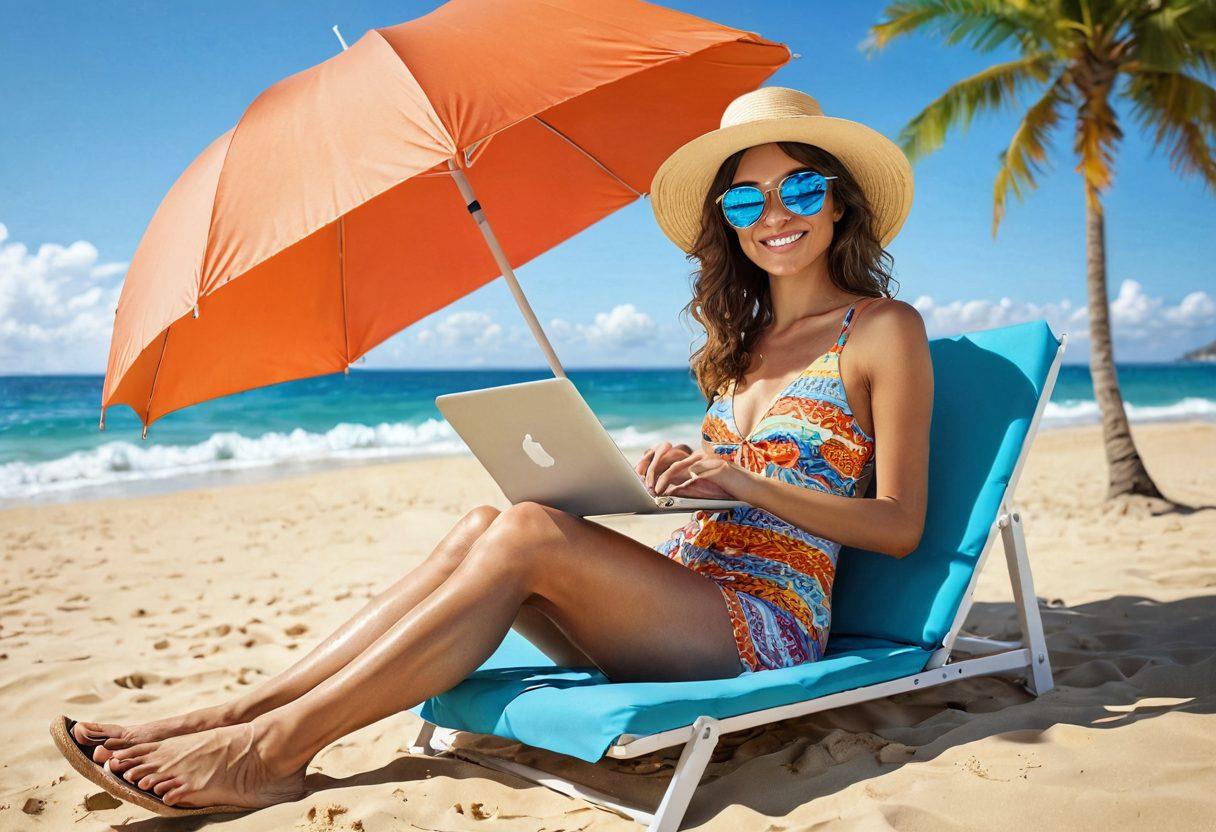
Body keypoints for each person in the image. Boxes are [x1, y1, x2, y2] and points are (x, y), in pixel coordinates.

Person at [53, 86, 932, 813]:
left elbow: (897, 527)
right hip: (687, 596)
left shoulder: (881, 329)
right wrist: (678, 482)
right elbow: (744, 491)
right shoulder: (737, 348)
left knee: (526, 533)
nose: (773, 214)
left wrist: (744, 476)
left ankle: (271, 751)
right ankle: (238, 710)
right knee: (492, 518)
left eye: (801, 190)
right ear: (728, 221)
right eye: (746, 198)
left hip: (766, 627)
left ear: (842, 200)